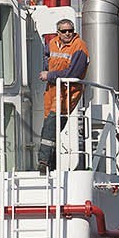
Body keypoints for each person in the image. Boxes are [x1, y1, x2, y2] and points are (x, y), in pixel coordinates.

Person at [38, 19, 89, 170]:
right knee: (50, 125)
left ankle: (43, 162)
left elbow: (74, 73)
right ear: (58, 32)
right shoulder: (53, 43)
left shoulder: (79, 47)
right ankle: (51, 163)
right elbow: (47, 55)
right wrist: (47, 69)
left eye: (70, 30)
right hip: (52, 89)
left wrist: (50, 75)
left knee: (51, 123)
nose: (68, 33)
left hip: (68, 91)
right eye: (64, 31)